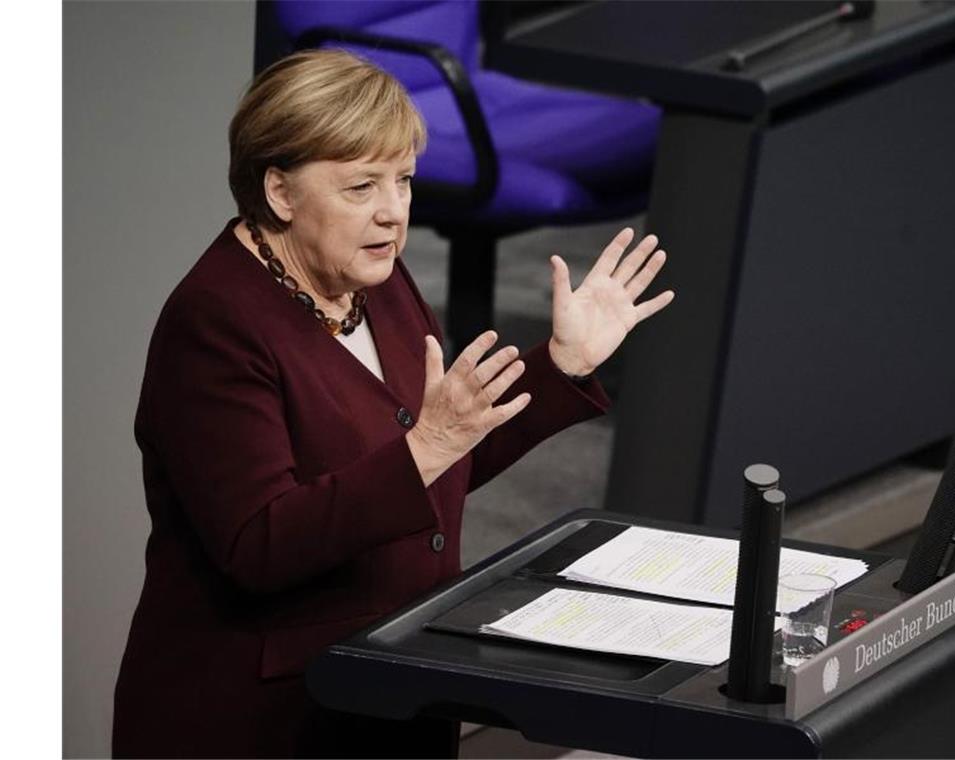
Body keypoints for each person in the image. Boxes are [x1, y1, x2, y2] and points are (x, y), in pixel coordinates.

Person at [111, 49, 674, 758]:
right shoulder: (214, 323)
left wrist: (562, 364)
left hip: (395, 690)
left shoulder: (374, 278)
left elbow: (442, 451)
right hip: (267, 719)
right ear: (280, 193)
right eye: (360, 186)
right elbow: (260, 543)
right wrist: (432, 444)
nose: (392, 213)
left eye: (403, 181)